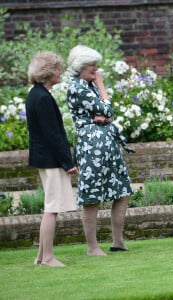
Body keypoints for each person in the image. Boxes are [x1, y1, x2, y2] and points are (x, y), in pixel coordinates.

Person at [66, 45, 134, 256]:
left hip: (108, 144)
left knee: (122, 191)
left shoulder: (88, 84)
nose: (96, 68)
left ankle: (118, 241)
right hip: (92, 147)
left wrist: (107, 116)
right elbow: (107, 109)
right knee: (92, 196)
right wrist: (102, 86)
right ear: (80, 66)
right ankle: (92, 247)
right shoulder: (77, 87)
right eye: (92, 64)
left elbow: (108, 114)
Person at [26, 51, 78, 267]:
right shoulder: (43, 98)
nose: (60, 72)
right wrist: (69, 162)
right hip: (50, 160)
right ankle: (48, 257)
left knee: (51, 206)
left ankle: (40, 257)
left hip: (44, 159)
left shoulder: (35, 94)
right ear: (47, 72)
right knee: (52, 209)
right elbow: (53, 135)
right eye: (57, 68)